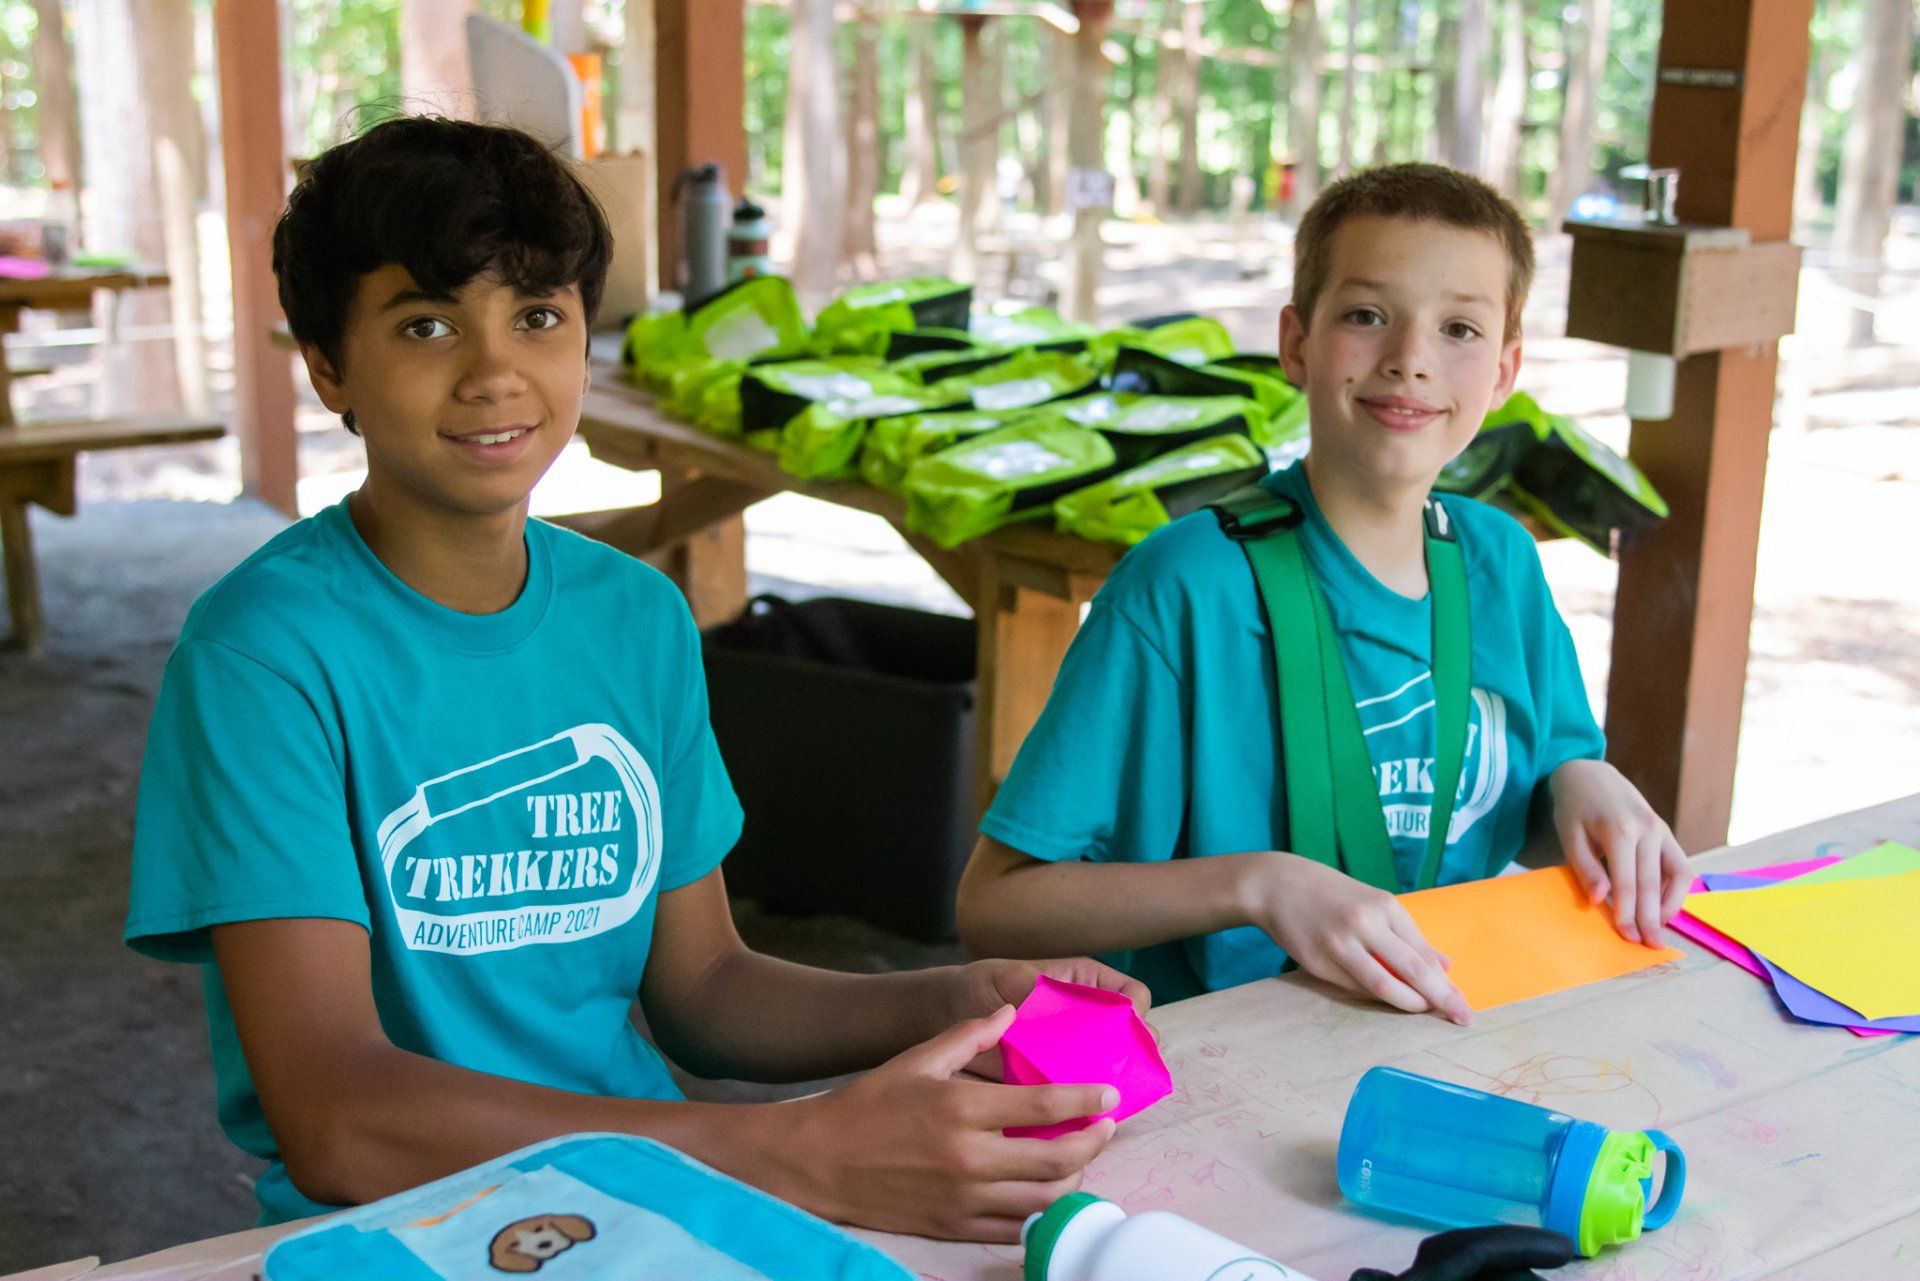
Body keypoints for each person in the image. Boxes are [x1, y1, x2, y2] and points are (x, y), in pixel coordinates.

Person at [124, 116, 1140, 1243]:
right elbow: (338, 1119)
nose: (495, 371)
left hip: (651, 1194)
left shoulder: (636, 617)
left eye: (539, 316)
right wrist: (792, 1153)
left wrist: (945, 999)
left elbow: (703, 991)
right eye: (425, 324)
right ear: (327, 366)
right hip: (402, 1227)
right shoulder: (263, 656)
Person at [956, 163, 1688, 1018]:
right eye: (1367, 316)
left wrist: (1578, 780)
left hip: (1448, 1025)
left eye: (1459, 328)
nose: (1411, 360)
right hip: (1222, 1061)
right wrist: (1261, 886)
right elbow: (993, 905)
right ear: (1297, 343)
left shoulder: (1502, 563)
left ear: (1503, 370)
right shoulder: (1184, 590)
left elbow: (1504, 804)